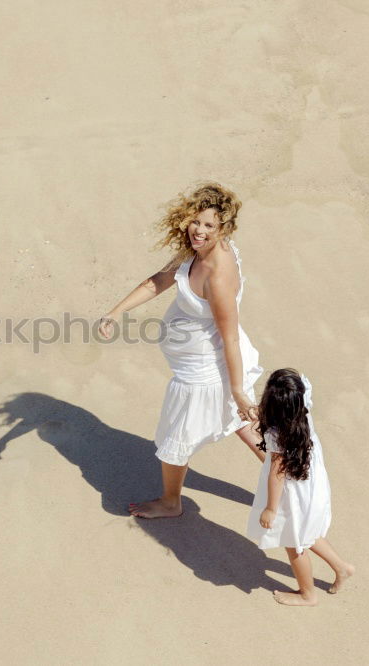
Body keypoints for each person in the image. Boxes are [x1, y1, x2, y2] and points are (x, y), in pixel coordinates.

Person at [98, 182, 265, 519]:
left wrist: (236, 389)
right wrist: (116, 311)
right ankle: (290, 476)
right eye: (196, 221)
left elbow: (229, 337)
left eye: (209, 226)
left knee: (176, 442)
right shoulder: (195, 251)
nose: (199, 231)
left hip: (204, 373)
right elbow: (159, 280)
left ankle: (171, 503)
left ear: (224, 229)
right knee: (243, 425)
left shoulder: (218, 276)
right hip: (203, 363)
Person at [246, 368, 355, 606]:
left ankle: (308, 594)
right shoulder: (301, 407)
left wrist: (271, 509)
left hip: (291, 492)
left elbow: (277, 473)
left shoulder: (277, 433)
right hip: (310, 483)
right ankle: (341, 567)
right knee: (306, 531)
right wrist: (258, 413)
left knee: (294, 541)